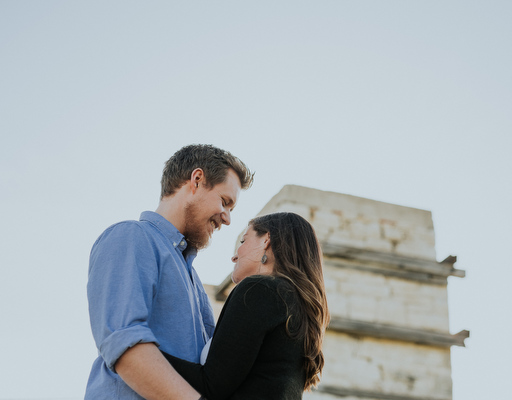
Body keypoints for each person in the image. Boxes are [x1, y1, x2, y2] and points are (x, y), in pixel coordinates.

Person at [85, 144, 254, 400]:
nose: (228, 218)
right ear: (196, 180)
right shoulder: (131, 237)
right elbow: (125, 344)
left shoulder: (194, 280)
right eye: (225, 201)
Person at [161, 212, 330, 400]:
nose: (234, 256)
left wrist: (141, 351)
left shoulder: (259, 289)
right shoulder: (295, 304)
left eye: (243, 241)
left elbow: (211, 385)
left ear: (267, 239)